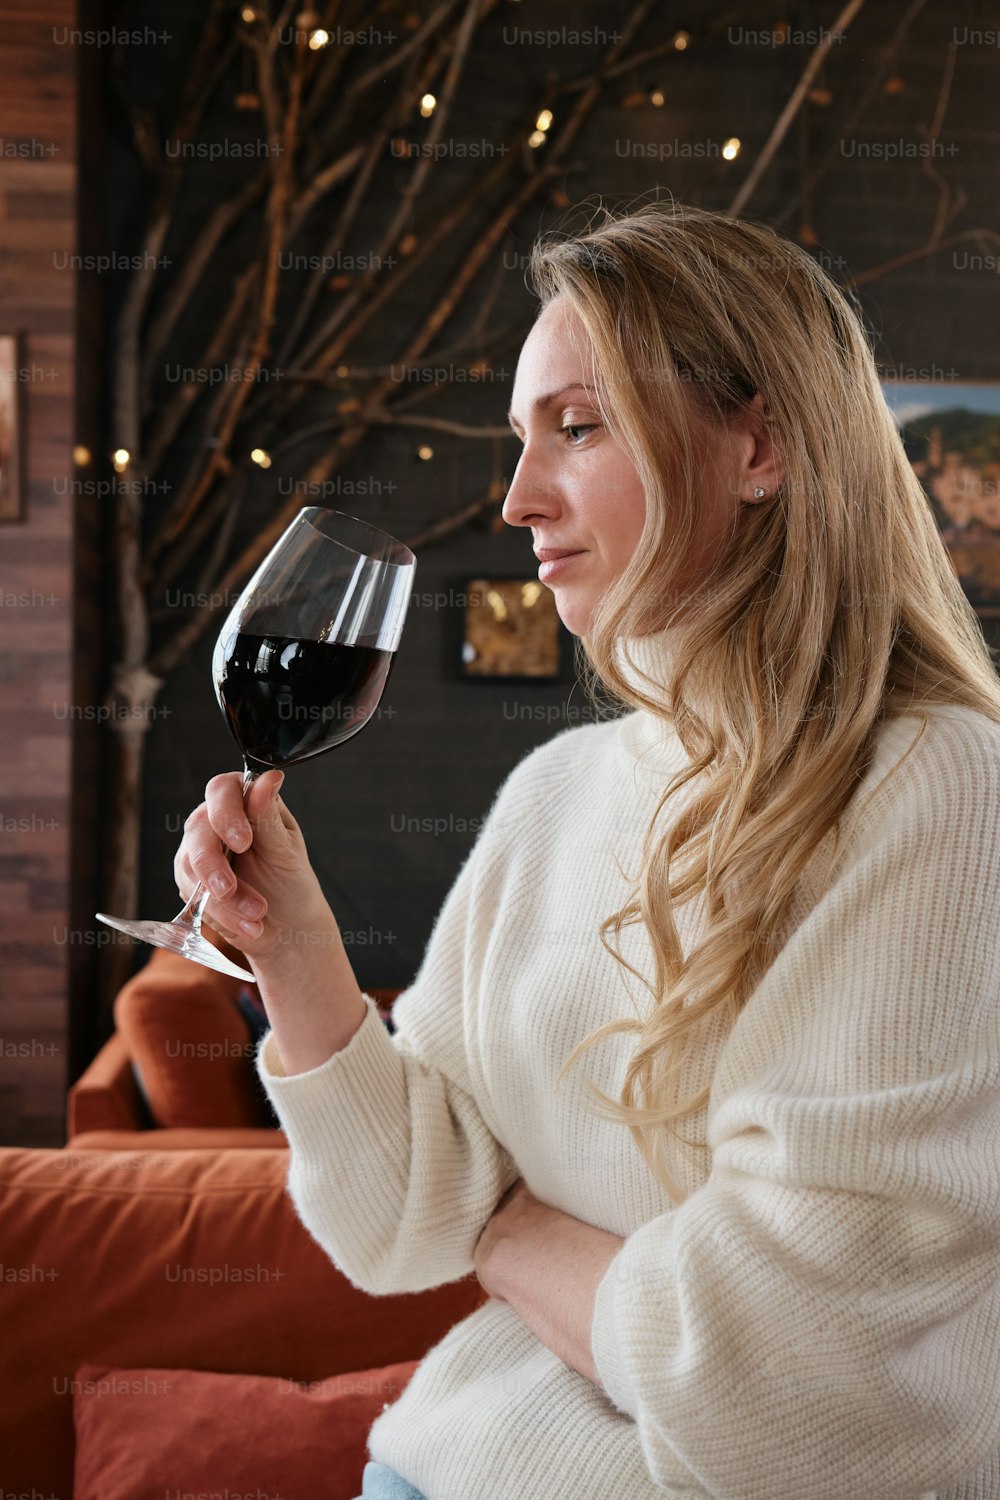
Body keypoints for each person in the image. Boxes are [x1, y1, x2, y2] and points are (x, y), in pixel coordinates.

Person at [173, 199, 1000, 1500]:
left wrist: (505, 1231)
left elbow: (785, 1374)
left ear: (761, 446)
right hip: (423, 1466)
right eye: (520, 437)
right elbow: (404, 1227)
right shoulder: (559, 789)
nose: (515, 498)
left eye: (578, 424)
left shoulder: (932, 788)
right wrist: (297, 957)